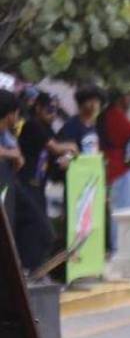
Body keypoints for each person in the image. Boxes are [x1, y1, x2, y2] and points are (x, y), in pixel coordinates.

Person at [15, 92, 74, 269]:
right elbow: (54, 148)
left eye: (56, 110)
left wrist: (63, 163)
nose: (53, 113)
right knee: (39, 229)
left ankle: (34, 267)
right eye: (49, 109)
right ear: (38, 108)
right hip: (25, 185)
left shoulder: (48, 130)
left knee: (40, 232)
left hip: (39, 187)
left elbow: (52, 159)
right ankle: (28, 268)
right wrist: (71, 147)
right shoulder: (32, 125)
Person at [99, 87, 130, 211]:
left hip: (115, 170)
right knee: (124, 214)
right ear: (119, 97)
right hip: (120, 171)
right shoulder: (115, 116)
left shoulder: (110, 114)